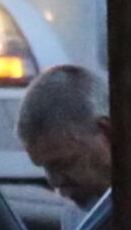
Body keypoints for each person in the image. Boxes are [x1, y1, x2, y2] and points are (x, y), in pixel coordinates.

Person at [14, 63, 113, 209]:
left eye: (65, 164)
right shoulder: (78, 210)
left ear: (107, 132)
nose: (54, 181)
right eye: (46, 168)